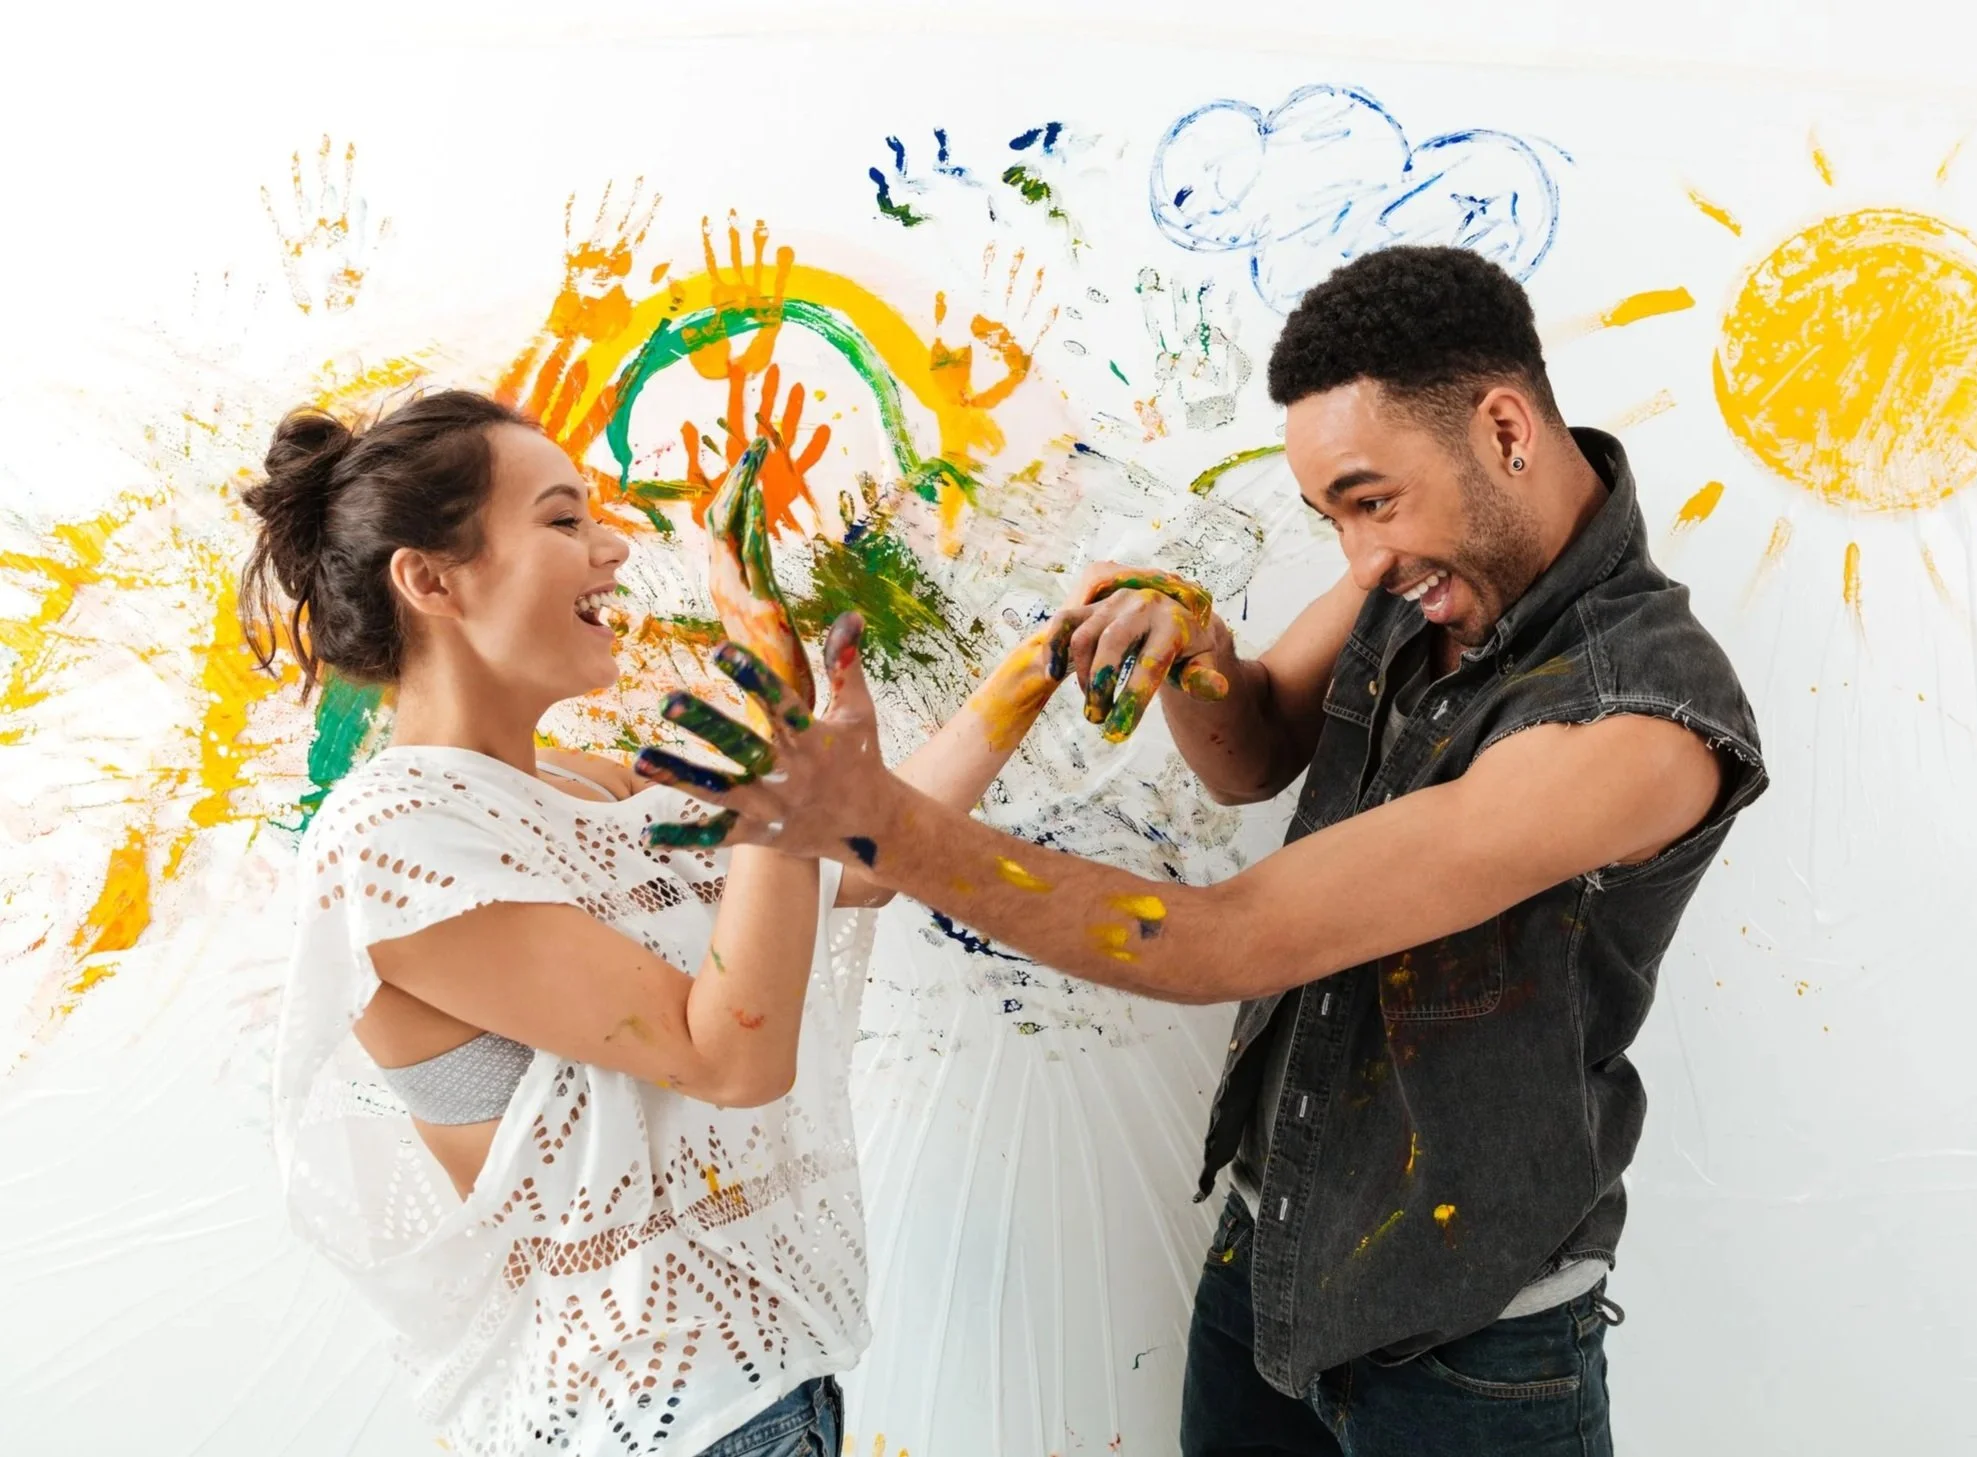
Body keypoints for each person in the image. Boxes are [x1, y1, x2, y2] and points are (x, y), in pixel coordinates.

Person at [639, 246, 1770, 1456]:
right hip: (1271, 1252)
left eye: (1370, 501)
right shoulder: (1422, 561)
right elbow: (1257, 745)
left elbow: (1229, 936)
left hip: (1468, 1343)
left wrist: (870, 815)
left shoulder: (1637, 720)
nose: (1360, 561)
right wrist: (1197, 652)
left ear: (1504, 429)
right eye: (1330, 516)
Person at [246, 391, 1072, 1456]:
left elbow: (841, 872)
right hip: (659, 1421)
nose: (613, 546)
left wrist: (1036, 668)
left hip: (775, 1389)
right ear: (431, 578)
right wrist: (780, 745)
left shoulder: (590, 784)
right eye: (561, 519)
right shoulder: (392, 838)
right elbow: (726, 1053)